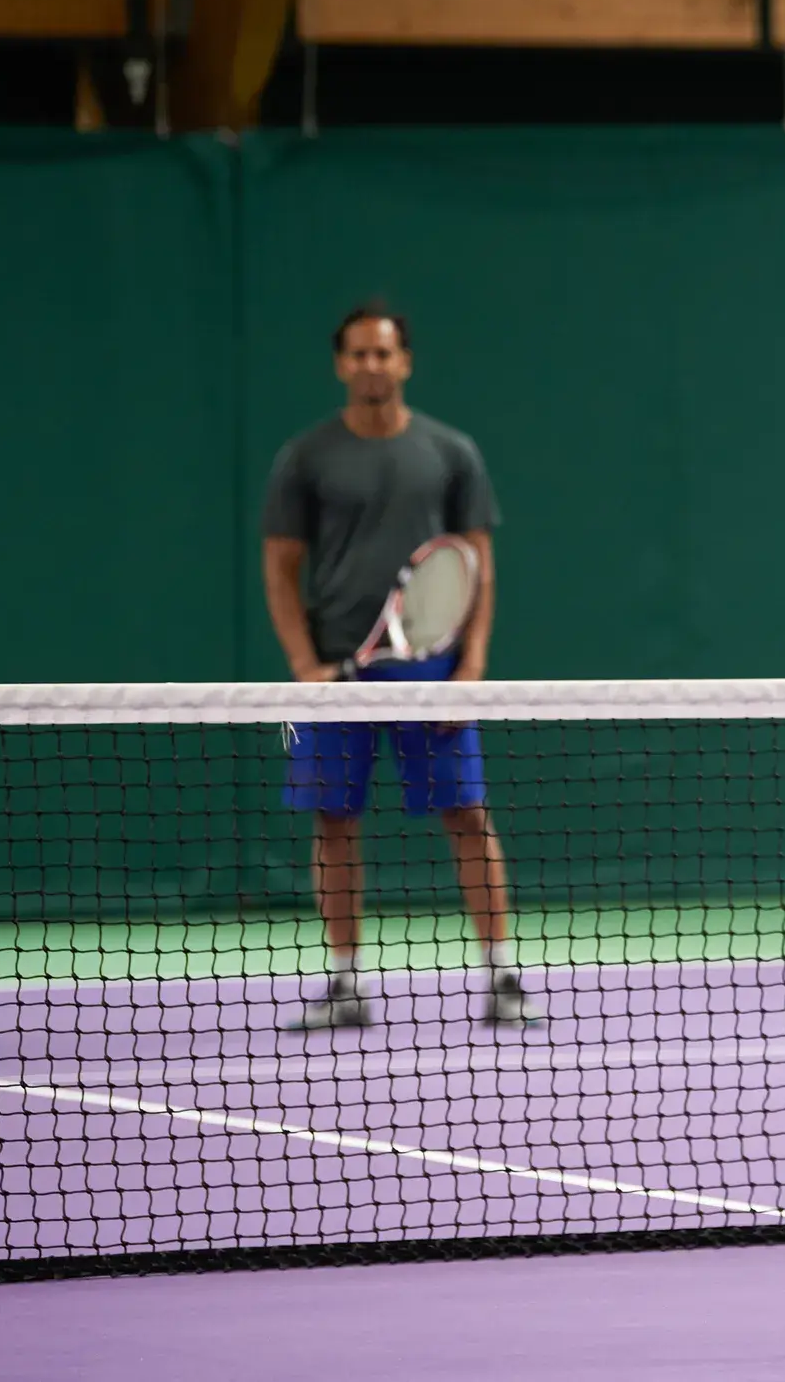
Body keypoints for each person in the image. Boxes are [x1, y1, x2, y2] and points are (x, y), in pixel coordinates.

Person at [263, 302, 538, 1032]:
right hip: (335, 671)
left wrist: (471, 665)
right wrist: (304, 665)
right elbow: (280, 564)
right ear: (340, 363)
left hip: (431, 669)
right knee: (334, 820)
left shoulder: (451, 452)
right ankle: (346, 982)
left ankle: (503, 976)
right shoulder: (307, 456)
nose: (371, 365)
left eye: (383, 353)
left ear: (404, 361)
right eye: (357, 353)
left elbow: (476, 564)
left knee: (467, 815)